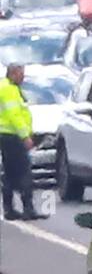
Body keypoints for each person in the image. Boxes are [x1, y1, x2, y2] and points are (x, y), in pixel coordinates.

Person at [0, 64, 39, 220]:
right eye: (20, 74)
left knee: (9, 174)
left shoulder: (7, 87)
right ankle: (28, 209)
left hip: (7, 135)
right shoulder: (9, 90)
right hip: (13, 136)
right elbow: (14, 115)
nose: (23, 77)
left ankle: (9, 210)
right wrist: (25, 136)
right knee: (24, 172)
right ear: (13, 74)